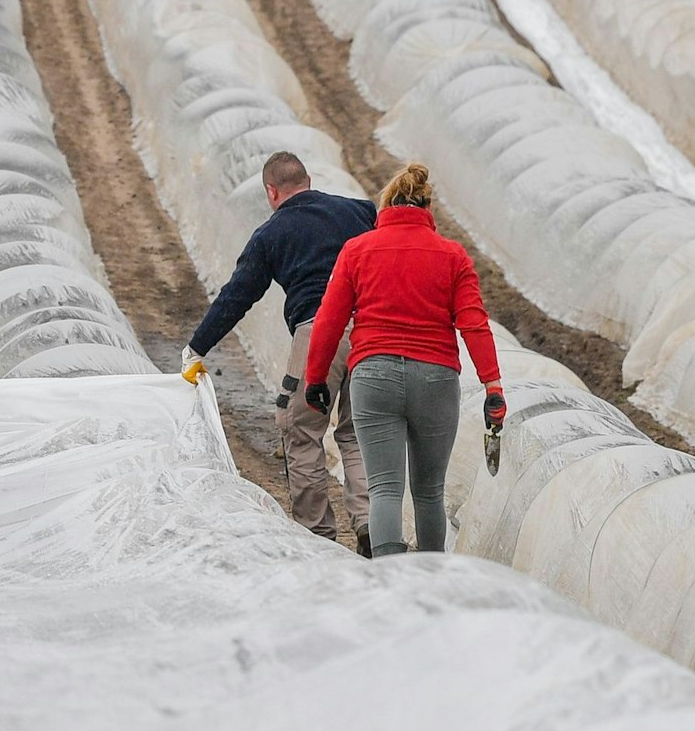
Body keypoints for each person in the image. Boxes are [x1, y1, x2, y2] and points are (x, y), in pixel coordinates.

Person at [303, 163, 504, 556]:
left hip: (373, 377)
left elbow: (329, 320)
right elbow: (474, 323)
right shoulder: (452, 256)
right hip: (435, 378)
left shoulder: (357, 250)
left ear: (385, 206)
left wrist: (316, 379)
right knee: (430, 492)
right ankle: (431, 584)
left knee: (384, 490)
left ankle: (389, 584)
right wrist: (493, 385)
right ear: (428, 207)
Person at [182, 151, 375, 553]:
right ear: (309, 179)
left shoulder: (272, 233)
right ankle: (372, 525)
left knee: (302, 431)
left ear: (271, 191)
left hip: (318, 332)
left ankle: (316, 538)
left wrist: (197, 346)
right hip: (373, 332)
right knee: (358, 434)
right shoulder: (359, 212)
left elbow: (237, 297)